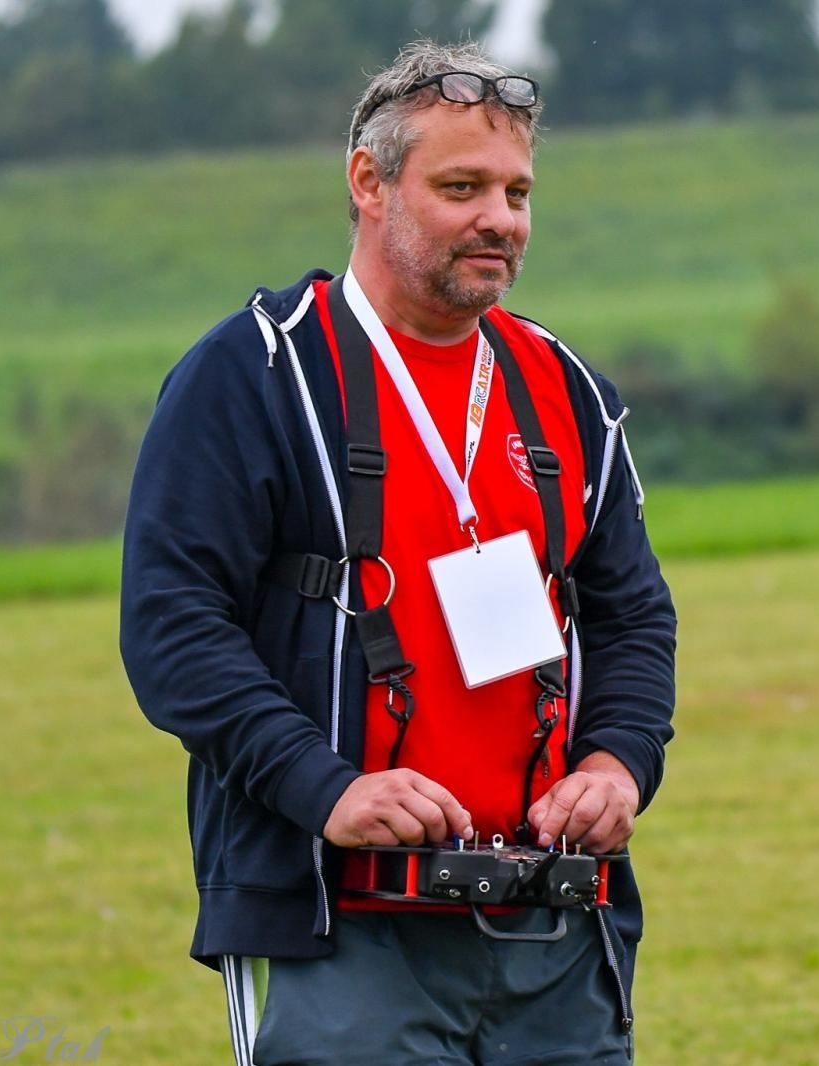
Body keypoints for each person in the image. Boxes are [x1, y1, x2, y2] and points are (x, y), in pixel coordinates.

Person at [119, 40, 676, 1066]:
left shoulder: (565, 388)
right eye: (462, 186)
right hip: (341, 925)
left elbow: (632, 612)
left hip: (557, 924)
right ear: (367, 182)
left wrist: (618, 761)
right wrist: (324, 788)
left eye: (516, 191)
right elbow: (173, 628)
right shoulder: (255, 373)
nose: (499, 219)